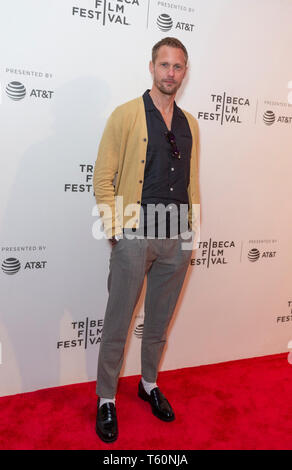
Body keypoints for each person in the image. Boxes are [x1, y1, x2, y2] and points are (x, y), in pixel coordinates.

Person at [93, 37, 200, 443]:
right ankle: (106, 398)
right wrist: (116, 231)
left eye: (178, 67)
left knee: (158, 323)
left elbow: (191, 181)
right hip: (135, 235)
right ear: (151, 67)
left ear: (184, 73)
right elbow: (103, 178)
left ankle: (149, 384)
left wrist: (191, 229)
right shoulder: (126, 116)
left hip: (177, 238)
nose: (170, 73)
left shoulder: (191, 124)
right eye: (164, 65)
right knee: (118, 323)